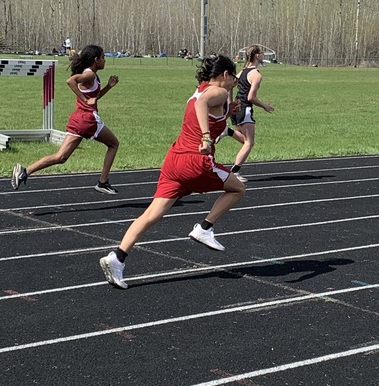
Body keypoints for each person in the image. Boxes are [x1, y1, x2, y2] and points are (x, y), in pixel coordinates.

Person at [100, 54, 247, 289]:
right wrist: (207, 136)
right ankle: (204, 228)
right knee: (238, 188)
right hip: (195, 161)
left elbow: (202, 107)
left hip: (173, 161)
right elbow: (203, 106)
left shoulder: (200, 91)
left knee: (151, 215)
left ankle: (117, 257)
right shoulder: (217, 92)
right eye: (234, 79)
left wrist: (226, 114)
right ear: (225, 75)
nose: (234, 85)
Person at [10, 44, 120, 194]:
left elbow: (94, 97)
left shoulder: (91, 75)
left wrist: (108, 86)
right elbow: (70, 81)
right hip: (88, 120)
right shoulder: (90, 75)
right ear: (96, 59)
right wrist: (84, 99)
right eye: (103, 58)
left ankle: (25, 171)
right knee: (113, 144)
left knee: (61, 157)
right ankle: (103, 182)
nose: (105, 61)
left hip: (78, 119)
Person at [229, 44, 274, 183]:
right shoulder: (256, 74)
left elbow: (229, 85)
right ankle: (234, 172)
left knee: (244, 140)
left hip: (236, 108)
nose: (262, 56)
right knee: (249, 143)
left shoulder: (242, 72)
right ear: (257, 56)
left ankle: (227, 132)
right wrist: (264, 106)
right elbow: (251, 97)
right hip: (245, 108)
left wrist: (231, 103)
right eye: (261, 53)